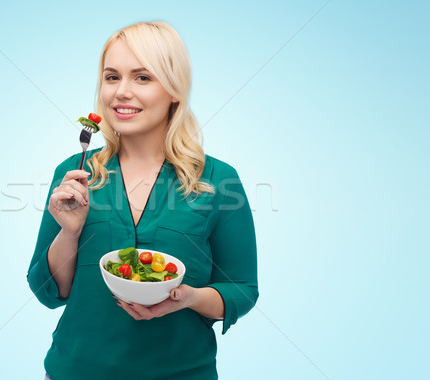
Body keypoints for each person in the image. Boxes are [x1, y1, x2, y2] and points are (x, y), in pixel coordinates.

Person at [27, 21, 258, 380]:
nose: (121, 92)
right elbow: (47, 292)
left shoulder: (217, 180)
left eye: (142, 78)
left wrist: (189, 298)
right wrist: (69, 233)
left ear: (174, 90)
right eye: (111, 77)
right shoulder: (75, 173)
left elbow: (242, 289)